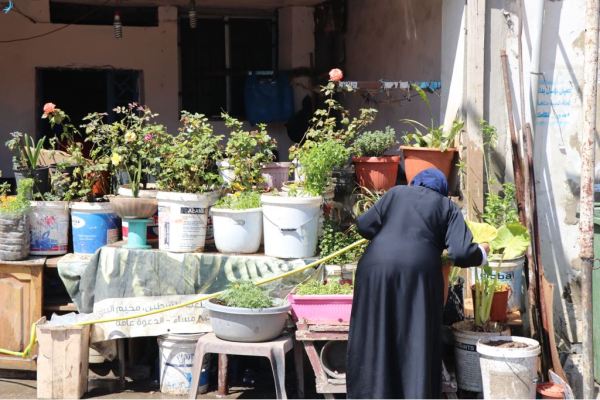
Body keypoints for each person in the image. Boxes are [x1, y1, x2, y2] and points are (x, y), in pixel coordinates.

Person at [346, 168, 489, 399]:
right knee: (416, 332)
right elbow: (461, 252)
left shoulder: (396, 193)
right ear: (442, 191)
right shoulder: (446, 206)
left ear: (415, 183)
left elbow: (364, 225)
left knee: (375, 329)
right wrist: (482, 252)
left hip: (375, 269)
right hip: (418, 272)